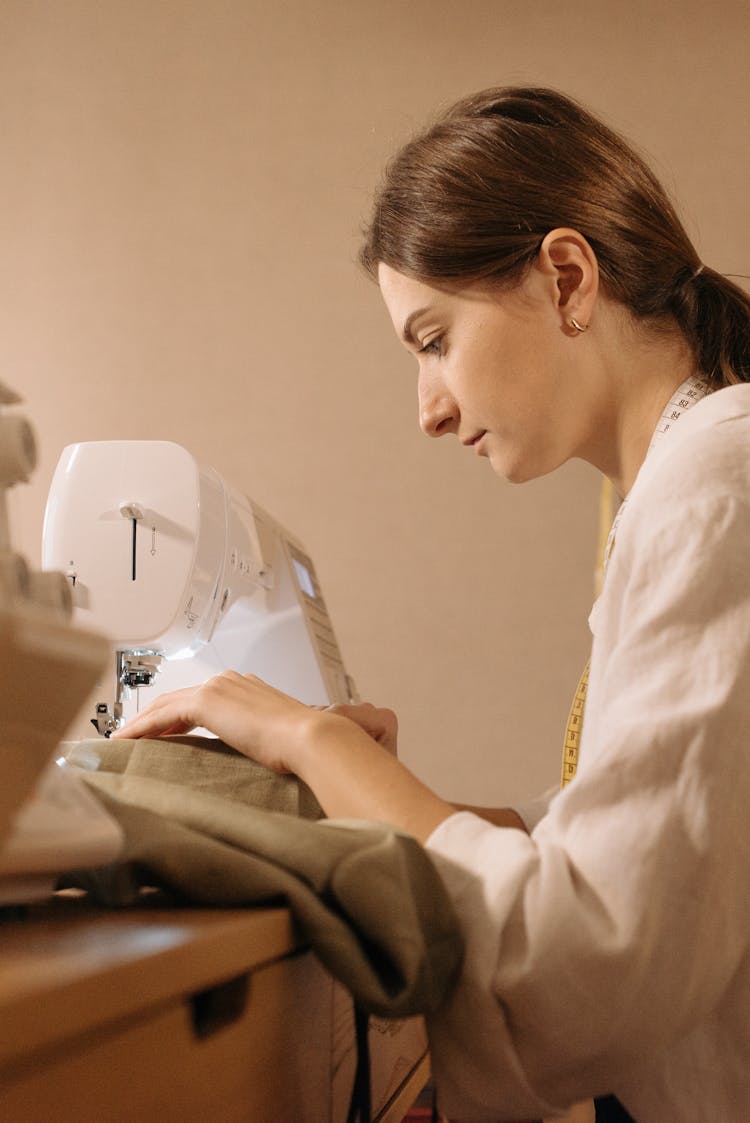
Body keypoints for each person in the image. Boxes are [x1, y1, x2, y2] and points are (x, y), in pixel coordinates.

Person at [115, 88, 750, 1122]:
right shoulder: (675, 486)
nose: (428, 408)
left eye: (432, 339)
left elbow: (594, 948)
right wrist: (381, 790)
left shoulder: (715, 485)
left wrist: (312, 741)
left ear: (566, 276)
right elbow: (639, 834)